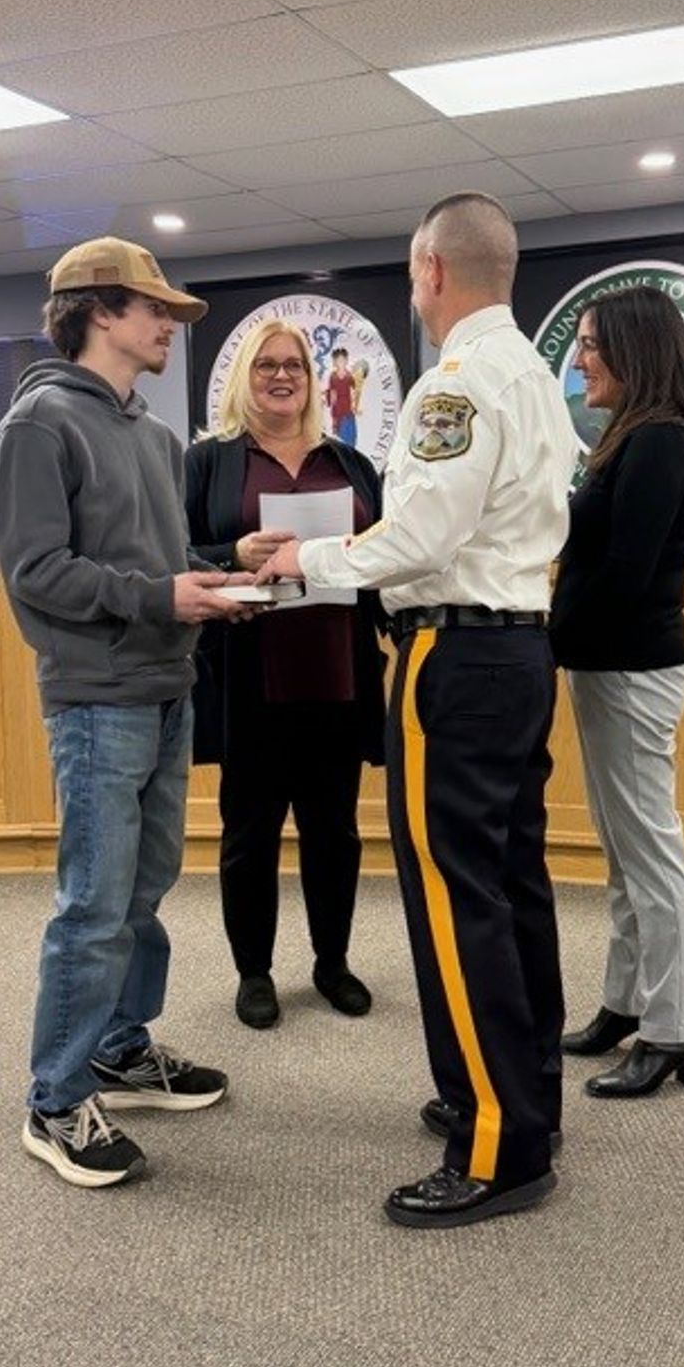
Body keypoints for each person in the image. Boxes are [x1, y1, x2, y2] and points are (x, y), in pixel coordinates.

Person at [264, 192, 578, 1227]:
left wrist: (299, 561)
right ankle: (523, 1097)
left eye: (409, 276)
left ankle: (496, 1143)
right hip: (521, 651)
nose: (412, 292)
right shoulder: (530, 374)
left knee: (455, 897)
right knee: (509, 884)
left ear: (433, 270)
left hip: (455, 653)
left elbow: (421, 539)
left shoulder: (459, 384)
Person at [0, 236, 251, 1189]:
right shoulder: (39, 426)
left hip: (167, 687)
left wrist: (223, 569)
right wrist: (160, 598)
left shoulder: (153, 436)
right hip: (97, 700)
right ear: (100, 311)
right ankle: (54, 1100)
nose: (170, 329)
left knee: (143, 892)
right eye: (156, 313)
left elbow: (154, 560)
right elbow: (36, 571)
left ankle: (120, 1047)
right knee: (94, 906)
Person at [185, 318, 385, 1030]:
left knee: (336, 831)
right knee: (250, 832)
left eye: (294, 365)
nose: (282, 376)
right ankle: (255, 973)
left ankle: (332, 964)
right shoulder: (209, 461)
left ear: (313, 377)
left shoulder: (350, 463)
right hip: (249, 675)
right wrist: (232, 550)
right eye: (267, 364)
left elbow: (388, 552)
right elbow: (176, 548)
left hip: (339, 670)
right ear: (247, 377)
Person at [549, 286, 684, 1098]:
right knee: (624, 854)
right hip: (607, 667)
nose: (579, 362)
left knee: (652, 854)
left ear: (631, 347)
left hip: (633, 670)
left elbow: (624, 576)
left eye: (588, 345)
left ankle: (675, 1029)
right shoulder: (629, 437)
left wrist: (542, 640)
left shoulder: (661, 443)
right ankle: (624, 1003)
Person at [324, 347, 358, 446]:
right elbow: (332, 393)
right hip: (338, 409)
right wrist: (330, 403)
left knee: (350, 435)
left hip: (348, 409)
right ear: (334, 362)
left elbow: (354, 392)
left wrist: (355, 406)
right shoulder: (333, 377)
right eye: (338, 360)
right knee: (338, 436)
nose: (341, 363)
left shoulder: (350, 376)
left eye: (343, 360)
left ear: (346, 360)